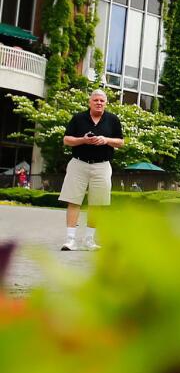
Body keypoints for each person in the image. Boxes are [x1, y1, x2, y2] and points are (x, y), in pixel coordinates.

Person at [59, 89, 124, 251]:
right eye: (96, 100)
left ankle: (89, 240)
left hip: (102, 166)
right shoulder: (78, 118)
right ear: (90, 102)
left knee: (97, 204)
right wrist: (83, 140)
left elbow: (120, 142)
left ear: (106, 103)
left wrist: (106, 140)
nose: (99, 103)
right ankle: (70, 240)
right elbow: (67, 140)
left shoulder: (113, 120)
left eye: (102, 100)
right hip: (78, 164)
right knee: (73, 201)